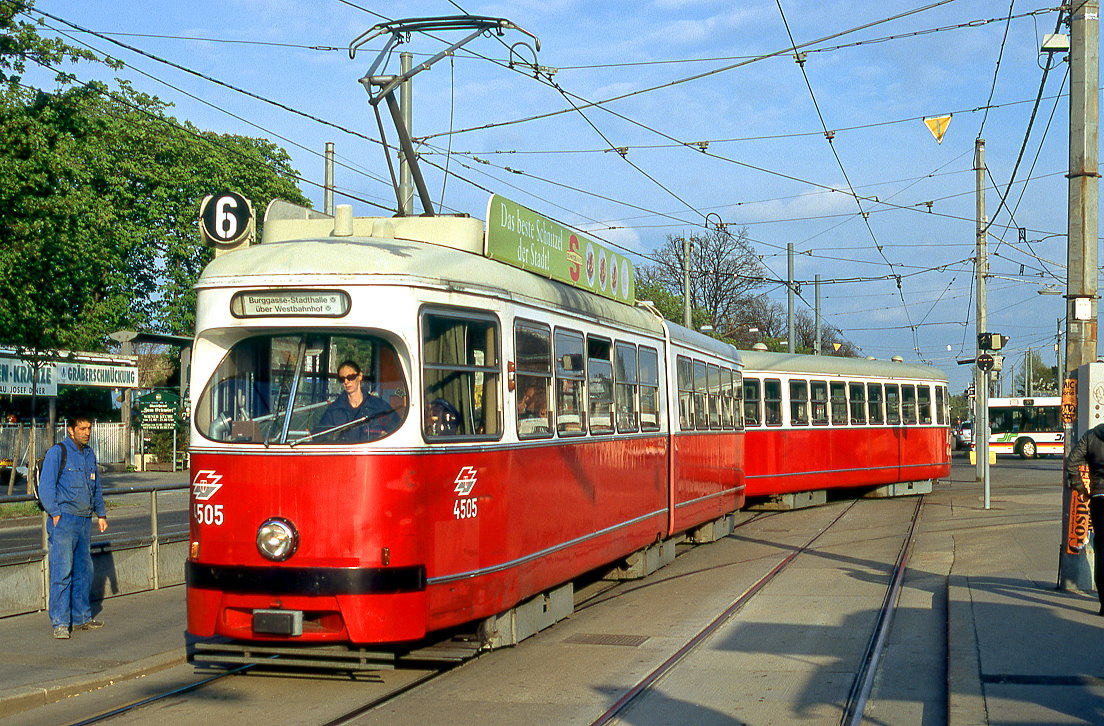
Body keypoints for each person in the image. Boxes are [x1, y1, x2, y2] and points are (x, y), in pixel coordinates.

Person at [38, 415, 108, 639]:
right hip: (64, 520)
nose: (86, 432)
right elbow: (46, 487)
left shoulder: (89, 454)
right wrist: (55, 513)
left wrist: (101, 514)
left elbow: (95, 486)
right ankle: (60, 622)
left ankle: (81, 618)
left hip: (84, 519)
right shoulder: (58, 452)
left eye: (88, 428)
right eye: (81, 428)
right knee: (62, 571)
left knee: (83, 571)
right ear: (70, 430)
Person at [1065, 423, 1104, 616]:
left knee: (1102, 549)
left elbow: (1072, 461)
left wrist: (1079, 486)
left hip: (1099, 497)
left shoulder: (1092, 436)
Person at [316, 361, 399, 441]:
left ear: (360, 376)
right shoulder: (334, 410)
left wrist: (385, 437)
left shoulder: (379, 407)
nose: (346, 382)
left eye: (350, 377)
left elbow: (398, 432)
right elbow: (320, 437)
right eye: (342, 379)